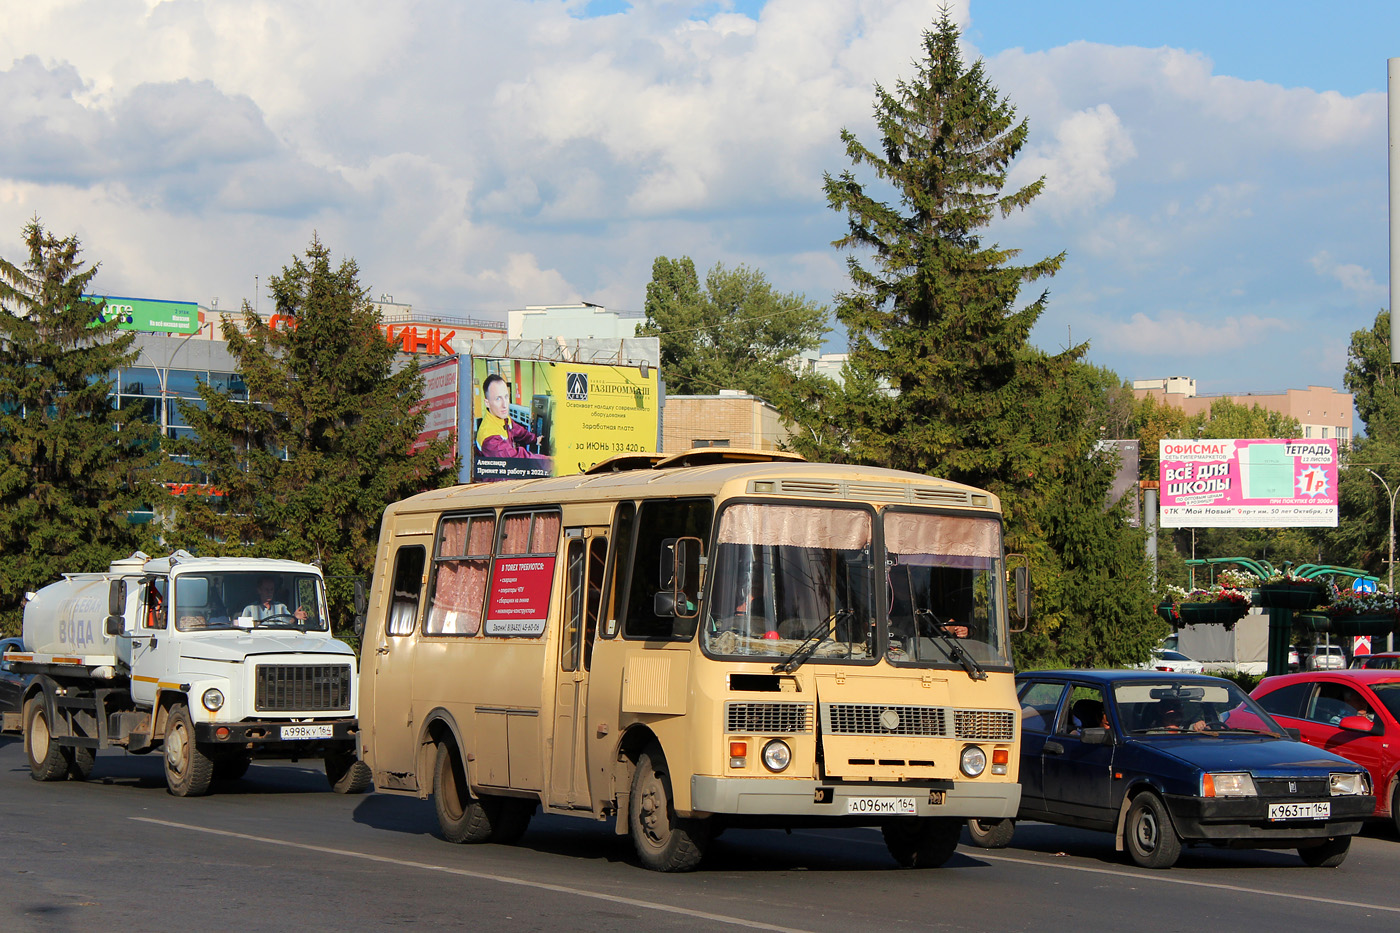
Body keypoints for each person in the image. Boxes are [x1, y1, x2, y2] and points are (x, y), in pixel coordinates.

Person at [476, 374, 547, 459]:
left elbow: (518, 431)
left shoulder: (503, 418)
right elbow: (517, 459)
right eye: (498, 399)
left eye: (506, 397)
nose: (504, 405)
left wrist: (535, 439)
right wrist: (553, 462)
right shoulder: (490, 438)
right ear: (487, 403)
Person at [240, 576, 307, 622]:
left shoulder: (281, 607)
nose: (269, 592)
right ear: (259, 590)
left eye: (271, 589)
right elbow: (244, 629)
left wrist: (295, 617)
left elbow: (289, 622)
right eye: (266, 590)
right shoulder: (249, 609)